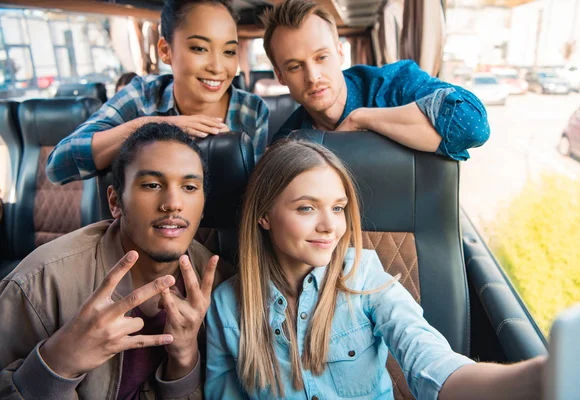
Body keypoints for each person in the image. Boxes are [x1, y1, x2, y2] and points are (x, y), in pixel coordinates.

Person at [204, 140, 545, 400]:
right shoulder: (225, 305)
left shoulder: (364, 276)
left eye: (338, 208)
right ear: (264, 215)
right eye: (307, 208)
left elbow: (430, 360)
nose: (329, 226)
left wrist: (538, 377)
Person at [0, 123, 233, 399]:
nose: (173, 203)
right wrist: (58, 362)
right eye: (152, 185)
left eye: (189, 187)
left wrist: (184, 361)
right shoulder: (38, 283)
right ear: (115, 202)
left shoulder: (222, 288)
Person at [46, 0, 269, 185]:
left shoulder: (251, 111)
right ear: (165, 51)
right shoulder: (141, 98)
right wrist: (148, 128)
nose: (217, 67)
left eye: (229, 51)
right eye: (199, 48)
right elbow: (58, 167)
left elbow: (253, 198)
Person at [264, 0, 489, 161]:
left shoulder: (393, 84)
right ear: (281, 76)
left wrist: (361, 119)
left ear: (340, 53)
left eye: (322, 57)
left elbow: (473, 126)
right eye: (295, 67)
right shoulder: (288, 141)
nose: (313, 77)